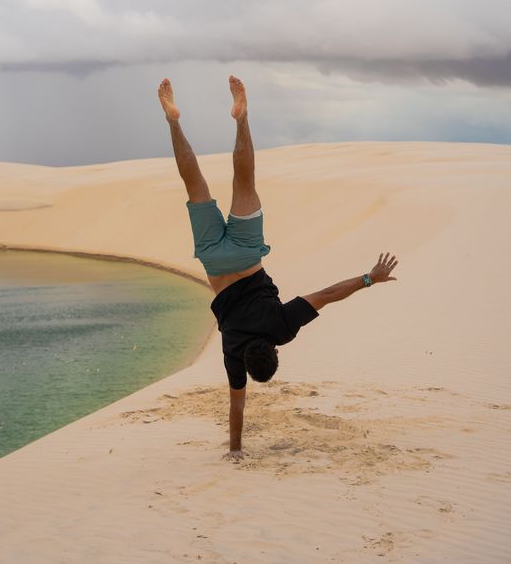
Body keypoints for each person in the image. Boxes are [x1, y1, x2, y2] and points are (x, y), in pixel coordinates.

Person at [158, 75, 399, 460]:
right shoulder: (233, 352)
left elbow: (328, 294)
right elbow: (236, 406)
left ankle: (241, 119)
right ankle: (173, 121)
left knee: (245, 179)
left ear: (275, 351)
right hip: (213, 261)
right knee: (195, 185)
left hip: (248, 253)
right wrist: (234, 450)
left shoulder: (282, 328)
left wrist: (371, 277)